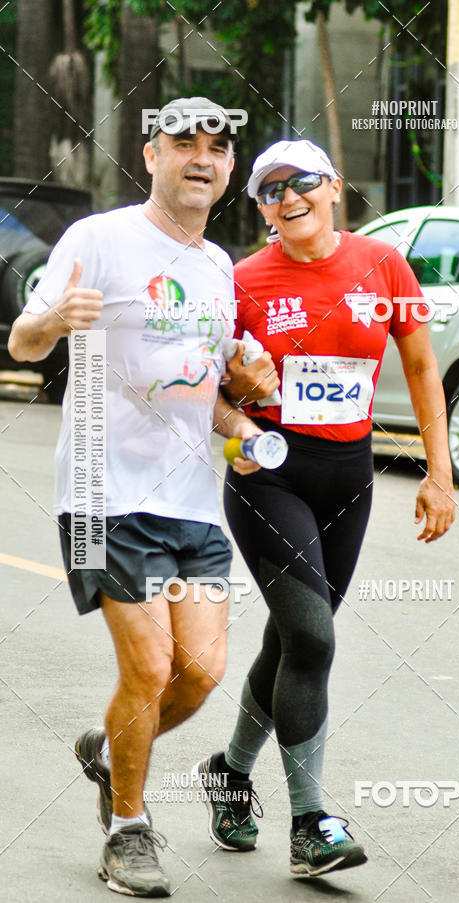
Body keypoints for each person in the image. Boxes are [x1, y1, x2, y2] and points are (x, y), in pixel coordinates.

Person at [8, 97, 264, 898]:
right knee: (150, 665)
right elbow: (21, 339)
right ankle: (127, 827)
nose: (201, 155)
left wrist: (243, 425)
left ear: (226, 170)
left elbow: (211, 387)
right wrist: (53, 316)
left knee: (201, 670)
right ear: (150, 154)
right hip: (102, 491)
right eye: (182, 141)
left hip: (191, 497)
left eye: (216, 147)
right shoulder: (99, 238)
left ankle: (110, 746)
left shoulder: (219, 268)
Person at [196, 138, 456, 877]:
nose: (288, 198)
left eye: (302, 182)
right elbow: (206, 393)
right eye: (270, 191)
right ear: (260, 207)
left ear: (334, 186)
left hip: (349, 476)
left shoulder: (384, 266)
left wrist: (439, 473)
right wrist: (241, 392)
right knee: (312, 637)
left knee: (291, 641)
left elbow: (420, 365)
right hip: (268, 473)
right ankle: (312, 822)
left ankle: (229, 770)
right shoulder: (241, 280)